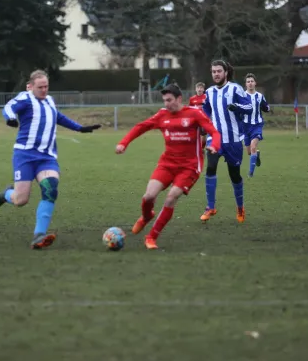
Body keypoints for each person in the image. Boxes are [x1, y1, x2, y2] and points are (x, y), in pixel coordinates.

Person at [0, 70, 101, 249]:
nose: (44, 90)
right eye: (40, 87)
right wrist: (11, 119)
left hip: (46, 157)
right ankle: (6, 194)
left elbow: (58, 117)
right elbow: (8, 108)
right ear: (30, 86)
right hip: (25, 156)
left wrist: (80, 128)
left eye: (46, 87)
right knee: (21, 200)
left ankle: (39, 235)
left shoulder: (50, 100)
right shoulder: (25, 98)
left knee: (50, 188)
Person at [115, 84, 221, 250]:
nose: (166, 104)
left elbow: (214, 132)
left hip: (189, 166)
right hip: (167, 163)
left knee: (171, 197)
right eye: (164, 100)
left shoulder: (194, 113)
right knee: (149, 196)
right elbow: (140, 127)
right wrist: (124, 143)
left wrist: (214, 145)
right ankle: (146, 216)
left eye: (169, 100)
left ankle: (151, 237)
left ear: (179, 99)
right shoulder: (162, 115)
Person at [200, 60, 253, 223]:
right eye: (213, 71)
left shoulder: (235, 88)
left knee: (234, 175)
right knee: (210, 168)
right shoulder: (209, 92)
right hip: (215, 138)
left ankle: (240, 207)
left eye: (219, 71)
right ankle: (210, 207)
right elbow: (206, 110)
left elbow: (249, 107)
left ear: (226, 72)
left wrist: (236, 106)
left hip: (233, 140)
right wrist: (205, 124)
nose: (216, 74)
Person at [242, 73, 270, 177]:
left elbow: (266, 107)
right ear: (246, 84)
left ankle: (250, 173)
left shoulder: (259, 96)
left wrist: (267, 108)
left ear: (255, 83)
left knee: (253, 147)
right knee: (249, 152)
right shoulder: (242, 96)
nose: (250, 83)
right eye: (248, 81)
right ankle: (256, 154)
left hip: (257, 125)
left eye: (252, 81)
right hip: (245, 126)